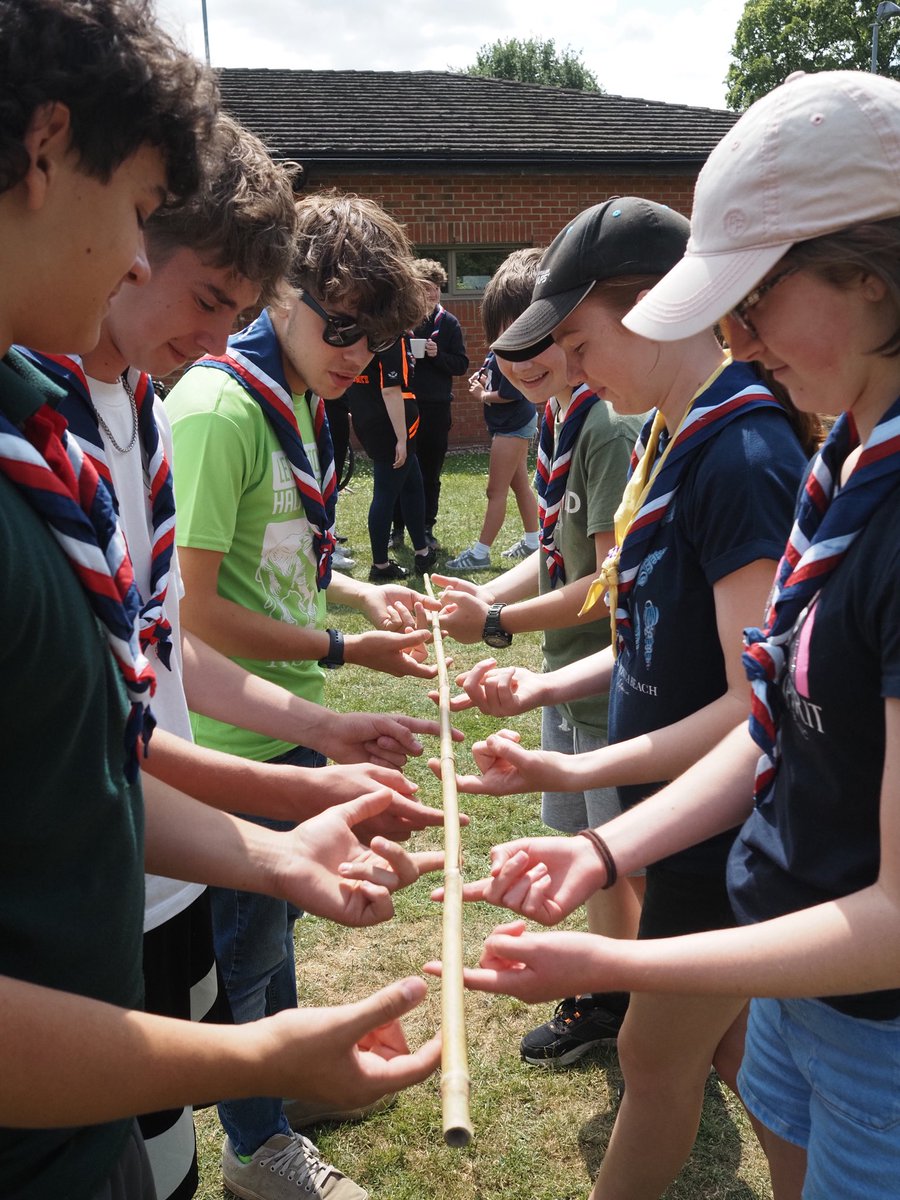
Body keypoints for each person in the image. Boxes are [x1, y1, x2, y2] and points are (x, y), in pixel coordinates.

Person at [432, 70, 900, 1200]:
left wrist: (610, 954)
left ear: (879, 268)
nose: (736, 335)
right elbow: (775, 711)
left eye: (757, 296)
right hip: (791, 957)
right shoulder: (843, 456)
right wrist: (602, 849)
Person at [0, 4, 439, 1200]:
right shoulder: (132, 419)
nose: (136, 266)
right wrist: (253, 1052)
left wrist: (287, 834)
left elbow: (102, 738)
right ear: (46, 151)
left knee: (169, 1157)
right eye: (140, 215)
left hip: (119, 939)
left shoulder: (101, 423)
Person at [164, 191, 440, 1199]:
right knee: (242, 960)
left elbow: (280, 558)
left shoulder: (302, 407)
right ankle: (255, 1149)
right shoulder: (215, 410)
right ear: (280, 292)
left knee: (275, 929)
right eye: (347, 329)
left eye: (378, 343)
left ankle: (283, 1091)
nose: (362, 358)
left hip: (284, 724)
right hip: (229, 741)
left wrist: (364, 592)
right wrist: (342, 644)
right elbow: (191, 612)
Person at [433, 247, 644, 1064]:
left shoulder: (608, 424)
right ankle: (610, 997)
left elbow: (602, 588)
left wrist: (494, 627)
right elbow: (556, 559)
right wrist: (486, 603)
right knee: (592, 852)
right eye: (503, 348)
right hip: (565, 679)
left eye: (534, 346)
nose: (514, 365)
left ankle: (624, 1001)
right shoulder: (557, 419)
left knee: (616, 859)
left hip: (610, 685)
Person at [390, 258, 469, 551]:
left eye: (436, 288)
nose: (432, 294)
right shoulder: (400, 322)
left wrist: (437, 355)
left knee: (431, 472)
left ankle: (425, 528)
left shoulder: (448, 323)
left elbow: (461, 364)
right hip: (405, 406)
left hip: (436, 407)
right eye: (425, 288)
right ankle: (396, 530)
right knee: (401, 468)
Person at [346, 335, 437, 581]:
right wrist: (401, 439)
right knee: (385, 494)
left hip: (371, 418)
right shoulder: (388, 338)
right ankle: (381, 565)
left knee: (412, 485)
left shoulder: (361, 335)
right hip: (390, 425)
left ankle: (422, 551)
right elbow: (390, 390)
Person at [446, 333, 539, 570]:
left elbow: (511, 393)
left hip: (513, 425)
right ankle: (533, 543)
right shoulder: (498, 348)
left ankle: (480, 554)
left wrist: (482, 395)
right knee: (520, 486)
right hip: (513, 423)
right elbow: (493, 373)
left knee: (494, 491)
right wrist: (483, 377)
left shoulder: (511, 350)